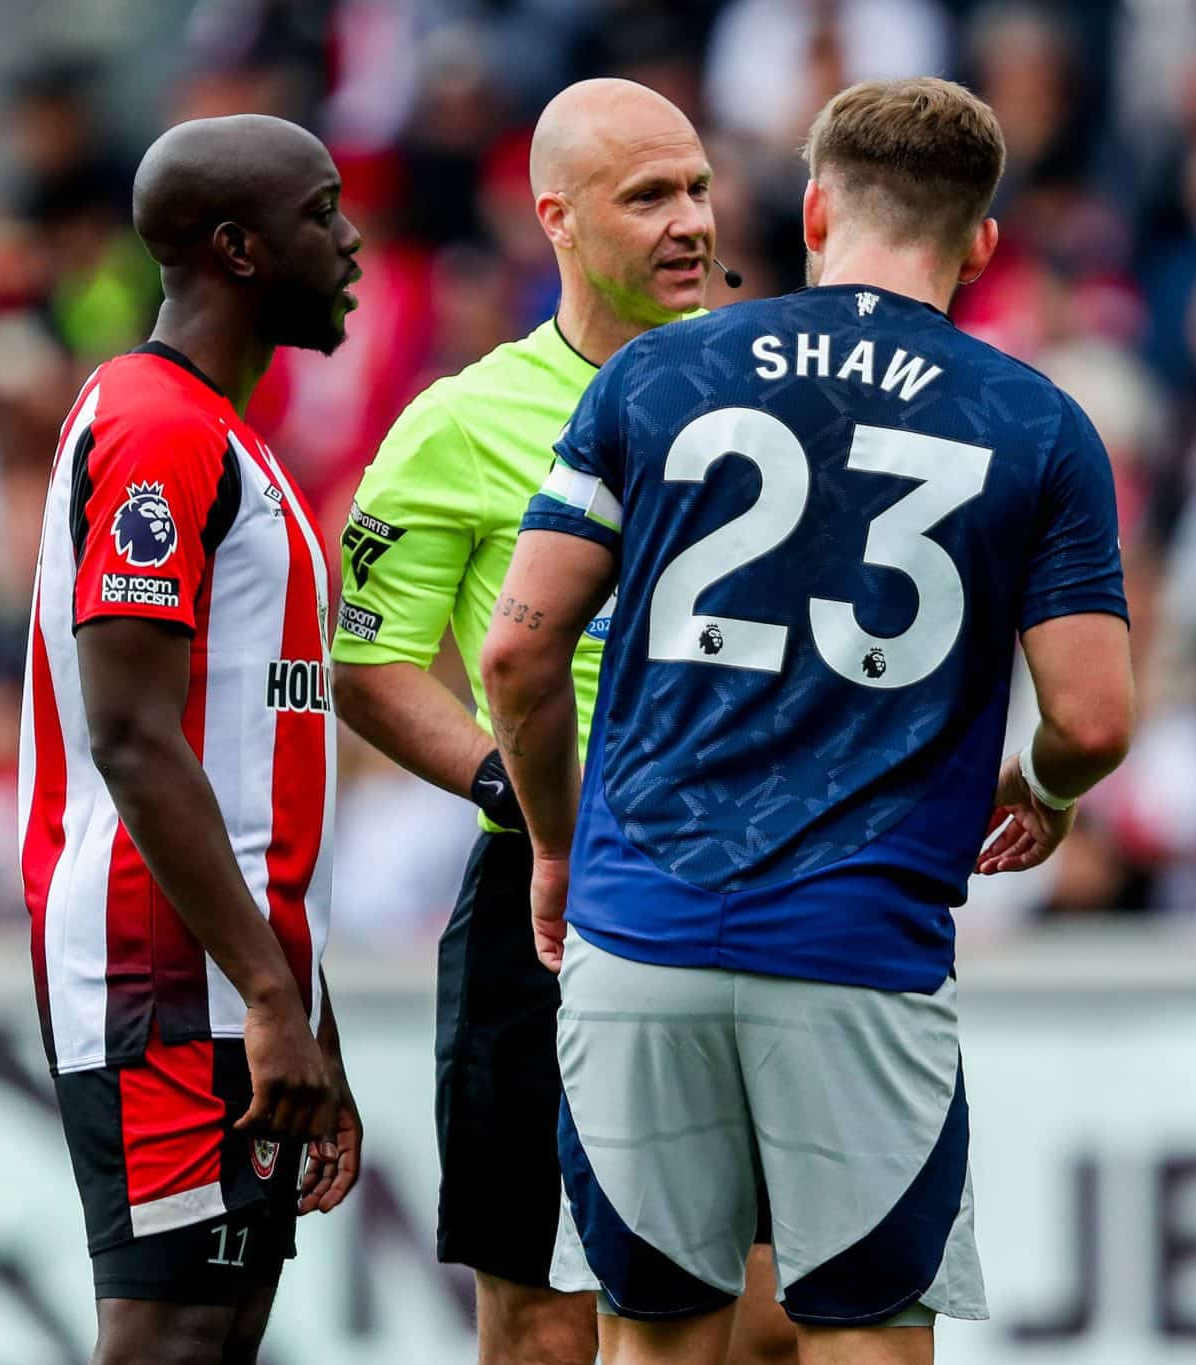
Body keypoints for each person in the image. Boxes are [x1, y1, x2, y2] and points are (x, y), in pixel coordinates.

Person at [483, 78, 1136, 1363]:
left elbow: (515, 652)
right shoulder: (1036, 426)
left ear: (815, 207)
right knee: (863, 1345)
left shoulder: (657, 373)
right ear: (982, 242)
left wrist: (558, 849)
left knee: (653, 1345)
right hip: (858, 949)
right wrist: (1045, 791)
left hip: (639, 932)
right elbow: (1096, 719)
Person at [330, 78, 795, 1365]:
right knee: (540, 1324)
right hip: (548, 888)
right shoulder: (461, 422)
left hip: (743, 881)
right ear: (556, 218)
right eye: (646, 196)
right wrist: (518, 795)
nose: (689, 221)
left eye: (699, 187)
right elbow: (366, 664)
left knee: (763, 1323)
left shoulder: (786, 403)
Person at [18, 114, 364, 1365]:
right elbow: (128, 734)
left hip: (234, 984)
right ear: (237, 246)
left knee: (217, 1334)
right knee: (170, 1336)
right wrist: (270, 996)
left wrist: (305, 1016)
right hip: (161, 968)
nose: (351, 239)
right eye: (321, 213)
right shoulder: (159, 430)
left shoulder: (221, 436)